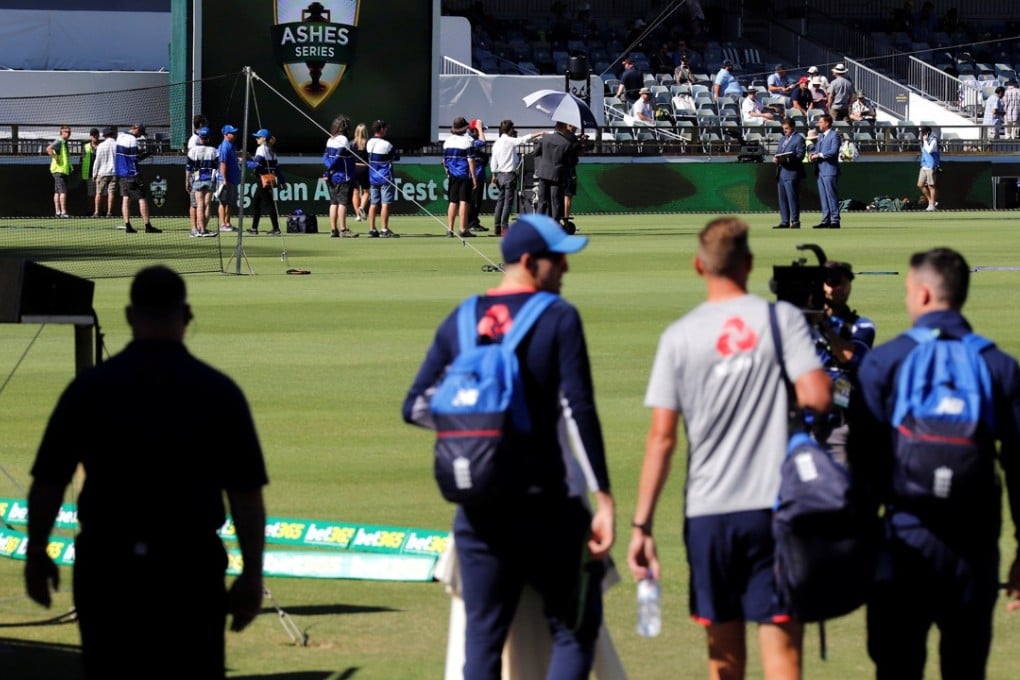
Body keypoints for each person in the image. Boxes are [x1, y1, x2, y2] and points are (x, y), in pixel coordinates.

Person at [24, 265, 268, 680]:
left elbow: (48, 481)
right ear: (187, 315)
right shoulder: (218, 391)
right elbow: (246, 497)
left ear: (129, 315)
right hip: (189, 569)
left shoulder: (89, 388)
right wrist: (252, 573)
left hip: (108, 567)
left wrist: (36, 552)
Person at [402, 213, 615, 679]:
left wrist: (476, 425)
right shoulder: (559, 316)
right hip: (549, 507)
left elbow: (415, 405)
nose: (565, 268)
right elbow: (579, 410)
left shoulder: (460, 317)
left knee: (483, 644)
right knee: (574, 630)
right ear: (527, 261)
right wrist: (604, 498)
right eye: (557, 258)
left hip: (477, 508)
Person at [627, 216, 831, 680]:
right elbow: (819, 395)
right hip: (772, 508)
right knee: (782, 657)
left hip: (709, 513)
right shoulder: (780, 320)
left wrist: (641, 524)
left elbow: (662, 437)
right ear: (750, 264)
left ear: (699, 267)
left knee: (724, 660)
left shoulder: (678, 335)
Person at [851, 247, 1020, 679]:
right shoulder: (999, 366)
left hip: (903, 542)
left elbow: (862, 467)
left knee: (896, 668)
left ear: (924, 295)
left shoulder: (885, 363)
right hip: (974, 549)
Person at [812, 260, 876, 464]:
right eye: (831, 282)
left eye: (843, 282)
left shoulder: (860, 325)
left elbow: (851, 357)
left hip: (840, 419)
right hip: (803, 420)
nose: (837, 289)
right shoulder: (798, 321)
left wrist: (824, 328)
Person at [489, 120, 546, 237]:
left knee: (500, 201)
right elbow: (524, 139)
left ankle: (497, 227)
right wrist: (539, 133)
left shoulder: (497, 143)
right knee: (507, 203)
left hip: (499, 174)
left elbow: (493, 161)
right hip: (509, 174)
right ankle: (505, 228)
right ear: (510, 130)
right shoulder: (510, 141)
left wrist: (494, 175)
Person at [533, 120, 581, 226]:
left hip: (544, 174)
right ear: (564, 128)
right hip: (557, 175)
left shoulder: (545, 139)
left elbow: (535, 153)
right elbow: (572, 162)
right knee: (556, 202)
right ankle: (555, 225)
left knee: (542, 201)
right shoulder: (567, 143)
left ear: (555, 127)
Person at [115, 123, 160, 234]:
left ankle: (127, 225)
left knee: (126, 198)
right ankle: (147, 225)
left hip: (121, 173)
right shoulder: (132, 140)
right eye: (140, 133)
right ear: (135, 129)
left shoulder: (120, 136)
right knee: (142, 198)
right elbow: (134, 159)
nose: (139, 136)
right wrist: (146, 154)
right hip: (132, 174)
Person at [323, 113, 360, 238]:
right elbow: (337, 159)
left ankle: (334, 229)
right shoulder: (343, 140)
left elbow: (325, 157)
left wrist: (329, 170)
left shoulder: (330, 139)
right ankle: (343, 229)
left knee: (333, 203)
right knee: (342, 203)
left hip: (333, 176)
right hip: (343, 175)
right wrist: (330, 168)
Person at [442, 116, 477, 239]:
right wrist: (474, 177)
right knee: (464, 202)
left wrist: (448, 172)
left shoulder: (447, 142)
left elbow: (444, 161)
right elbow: (471, 161)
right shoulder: (467, 141)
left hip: (452, 175)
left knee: (453, 202)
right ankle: (463, 229)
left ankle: (449, 229)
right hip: (464, 175)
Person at [245, 128, 284, 236]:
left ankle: (276, 228)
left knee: (269, 203)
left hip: (262, 179)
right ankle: (254, 228)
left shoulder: (261, 149)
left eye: (258, 137)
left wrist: (244, 161)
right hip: (268, 178)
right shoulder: (272, 150)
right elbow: (277, 168)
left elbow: (256, 165)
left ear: (263, 138)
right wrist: (282, 181)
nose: (256, 139)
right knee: (256, 203)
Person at [366, 119, 400, 238]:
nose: (386, 130)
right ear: (381, 129)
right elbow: (396, 156)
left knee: (373, 203)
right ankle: (384, 229)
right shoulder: (387, 144)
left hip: (372, 177)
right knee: (385, 204)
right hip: (385, 177)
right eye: (385, 128)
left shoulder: (369, 143)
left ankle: (372, 229)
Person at [185, 127, 219, 237]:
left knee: (199, 204)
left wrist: (187, 181)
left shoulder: (193, 151)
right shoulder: (214, 150)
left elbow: (189, 168)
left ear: (200, 137)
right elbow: (217, 166)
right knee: (207, 204)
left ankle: (200, 230)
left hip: (197, 179)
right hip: (210, 180)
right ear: (208, 138)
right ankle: (203, 229)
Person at [809, 114, 841, 229]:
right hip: (820, 170)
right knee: (823, 196)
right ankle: (825, 220)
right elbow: (817, 150)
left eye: (821, 122)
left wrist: (819, 155)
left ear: (827, 123)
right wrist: (812, 155)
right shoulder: (821, 136)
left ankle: (835, 220)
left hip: (830, 170)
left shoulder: (834, 136)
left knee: (831, 195)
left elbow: (833, 151)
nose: (819, 124)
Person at [774, 117, 806, 229]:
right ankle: (784, 221)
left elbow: (800, 155)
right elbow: (778, 152)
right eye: (784, 128)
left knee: (792, 198)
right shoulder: (782, 139)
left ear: (793, 127)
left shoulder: (799, 139)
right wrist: (776, 158)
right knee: (782, 198)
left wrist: (786, 159)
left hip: (792, 172)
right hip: (781, 172)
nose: (785, 130)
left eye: (787, 128)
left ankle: (795, 221)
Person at [216, 124, 241, 232]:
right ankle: (222, 224)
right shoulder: (224, 146)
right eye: (232, 133)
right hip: (225, 180)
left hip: (232, 179)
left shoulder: (231, 145)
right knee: (223, 202)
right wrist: (225, 180)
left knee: (229, 202)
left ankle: (227, 223)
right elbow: (223, 164)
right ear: (226, 134)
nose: (235, 134)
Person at [467, 119, 490, 232]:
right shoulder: (470, 141)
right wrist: (479, 128)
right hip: (473, 177)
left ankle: (474, 222)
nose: (482, 132)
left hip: (479, 176)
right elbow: (482, 141)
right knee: (473, 201)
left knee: (477, 202)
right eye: (481, 130)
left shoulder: (475, 145)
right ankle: (471, 223)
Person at [187, 114, 209, 229]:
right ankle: (194, 228)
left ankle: (201, 227)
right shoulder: (194, 140)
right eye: (204, 123)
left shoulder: (203, 138)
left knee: (202, 204)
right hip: (196, 175)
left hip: (204, 176)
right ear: (200, 125)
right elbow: (191, 161)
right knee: (194, 204)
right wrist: (191, 177)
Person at [46, 125, 72, 218]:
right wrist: (55, 158)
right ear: (61, 132)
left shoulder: (64, 143)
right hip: (59, 171)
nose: (68, 134)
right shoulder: (59, 141)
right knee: (63, 191)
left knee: (57, 192)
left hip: (60, 171)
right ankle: (63, 212)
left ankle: (57, 212)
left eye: (69, 132)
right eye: (66, 132)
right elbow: (49, 148)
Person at [91, 127, 117, 219]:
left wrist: (94, 173)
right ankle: (109, 212)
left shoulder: (101, 146)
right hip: (114, 172)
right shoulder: (117, 145)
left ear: (104, 136)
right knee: (111, 193)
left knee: (99, 193)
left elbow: (97, 161)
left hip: (102, 172)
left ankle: (97, 212)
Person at [350, 122, 370, 222]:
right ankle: (361, 207)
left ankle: (357, 215)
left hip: (354, 168)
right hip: (364, 168)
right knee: (366, 191)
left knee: (355, 191)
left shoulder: (351, 143)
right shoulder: (367, 143)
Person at [918, 125, 941, 211]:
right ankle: (932, 201)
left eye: (923, 132)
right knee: (920, 184)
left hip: (931, 165)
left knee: (931, 186)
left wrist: (925, 141)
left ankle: (932, 205)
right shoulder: (925, 140)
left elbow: (929, 150)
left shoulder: (933, 140)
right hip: (924, 165)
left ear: (927, 133)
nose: (922, 134)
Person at [81, 128, 100, 216]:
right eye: (93, 135)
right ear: (90, 136)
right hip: (89, 174)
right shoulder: (86, 146)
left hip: (100, 173)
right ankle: (91, 210)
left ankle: (100, 211)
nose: (95, 136)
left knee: (101, 193)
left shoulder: (101, 146)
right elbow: (82, 160)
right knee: (91, 194)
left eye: (96, 134)